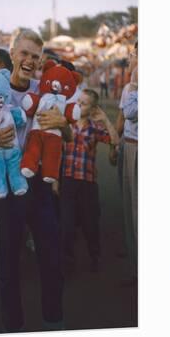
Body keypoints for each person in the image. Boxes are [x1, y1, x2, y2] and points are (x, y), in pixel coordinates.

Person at [0, 28, 70, 332]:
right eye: (24, 54)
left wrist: (64, 126)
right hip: (7, 187)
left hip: (38, 185)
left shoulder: (44, 89)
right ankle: (13, 329)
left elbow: (65, 135)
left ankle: (53, 322)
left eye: (36, 56)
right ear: (12, 53)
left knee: (52, 259)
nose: (30, 61)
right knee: (8, 265)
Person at [60, 89, 119, 273]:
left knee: (90, 223)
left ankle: (95, 254)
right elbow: (58, 153)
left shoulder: (95, 127)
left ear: (93, 108)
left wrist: (105, 119)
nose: (79, 105)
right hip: (68, 180)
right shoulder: (67, 124)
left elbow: (115, 140)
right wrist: (55, 181)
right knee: (66, 223)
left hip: (87, 183)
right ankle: (67, 259)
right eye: (78, 101)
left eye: (84, 103)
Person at [119, 42, 138, 285]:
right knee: (129, 208)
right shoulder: (131, 83)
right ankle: (135, 264)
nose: (130, 58)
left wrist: (134, 85)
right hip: (129, 142)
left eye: (134, 54)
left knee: (137, 209)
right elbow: (124, 114)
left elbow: (132, 111)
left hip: (138, 146)